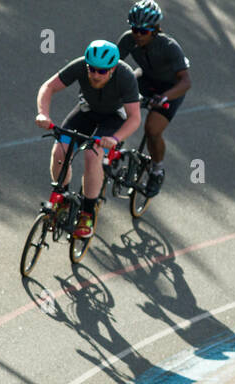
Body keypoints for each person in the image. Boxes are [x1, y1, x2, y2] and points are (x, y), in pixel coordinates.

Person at [34, 39, 142, 239]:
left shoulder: (125, 76)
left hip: (114, 118)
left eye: (102, 71)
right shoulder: (80, 66)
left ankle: (87, 213)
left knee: (92, 156)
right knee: (60, 150)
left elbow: (135, 118)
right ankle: (63, 200)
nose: (95, 74)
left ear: (112, 70)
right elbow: (48, 87)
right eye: (92, 69)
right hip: (87, 110)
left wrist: (115, 138)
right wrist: (43, 114)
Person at [117, 1, 192, 197]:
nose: (138, 35)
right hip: (145, 79)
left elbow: (185, 82)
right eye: (135, 29)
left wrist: (164, 97)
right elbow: (112, 66)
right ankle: (114, 145)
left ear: (155, 29)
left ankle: (157, 170)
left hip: (171, 88)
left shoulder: (169, 46)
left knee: (152, 129)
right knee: (117, 105)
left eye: (144, 31)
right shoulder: (128, 40)